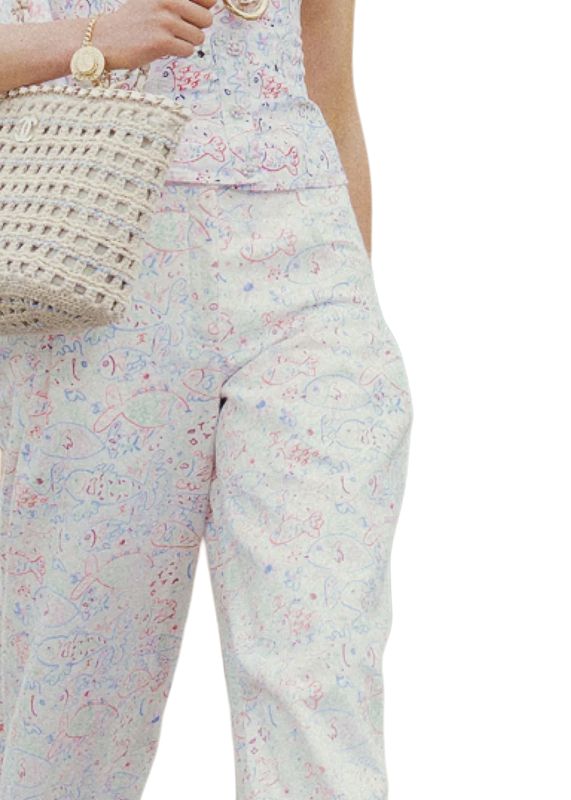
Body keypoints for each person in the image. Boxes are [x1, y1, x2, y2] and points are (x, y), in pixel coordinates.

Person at [0, 0, 415, 797]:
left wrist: (358, 300)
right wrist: (91, 40)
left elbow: (329, 88)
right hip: (91, 268)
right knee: (74, 707)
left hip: (311, 283)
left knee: (320, 675)